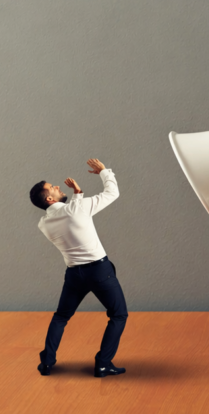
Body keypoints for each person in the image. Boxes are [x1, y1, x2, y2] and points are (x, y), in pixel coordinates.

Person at [29, 158, 128, 378]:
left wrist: (78, 194)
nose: (57, 186)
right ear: (49, 198)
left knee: (61, 317)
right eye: (52, 187)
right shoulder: (78, 208)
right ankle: (103, 364)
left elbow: (68, 213)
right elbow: (112, 193)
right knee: (119, 315)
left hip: (74, 274)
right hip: (99, 271)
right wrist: (103, 172)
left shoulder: (43, 224)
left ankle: (46, 363)